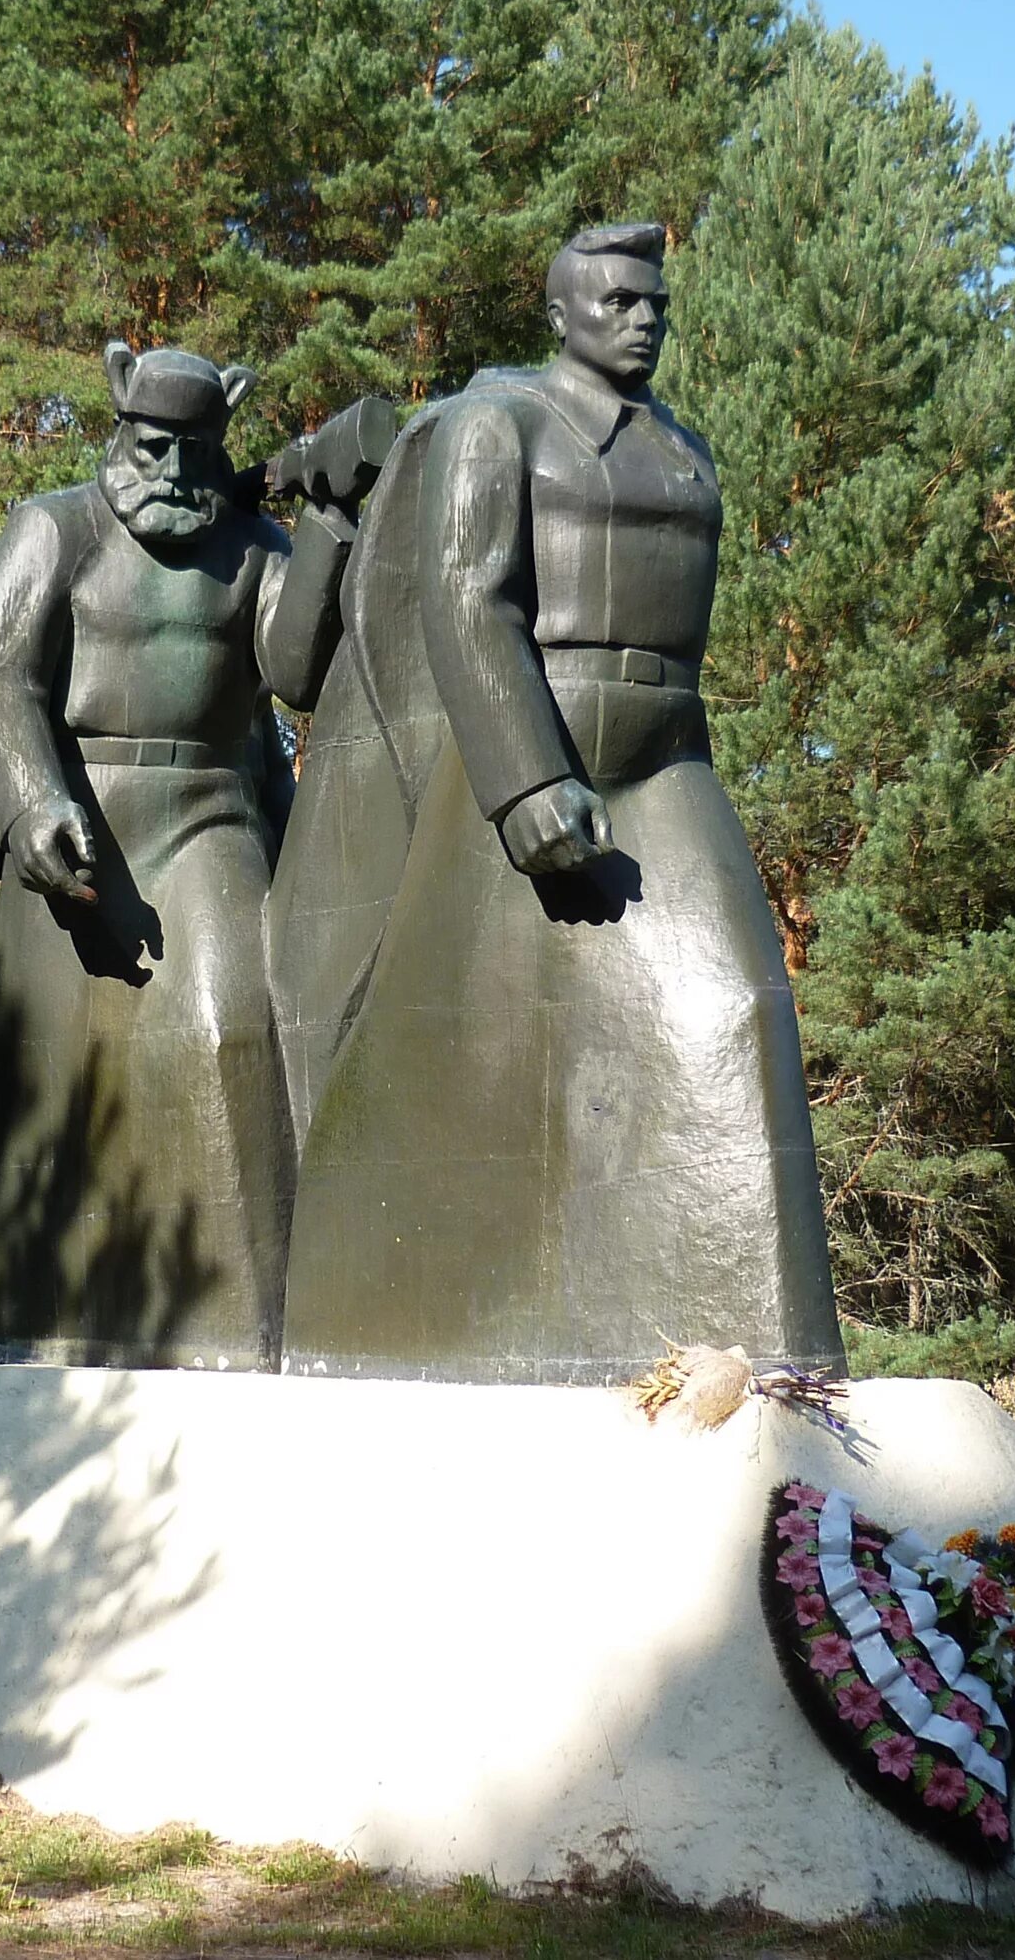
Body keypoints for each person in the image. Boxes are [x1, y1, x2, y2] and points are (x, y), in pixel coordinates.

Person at [271, 223, 848, 1380]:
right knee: (445, 1045)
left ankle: (754, 1341)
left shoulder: (686, 452)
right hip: (529, 742)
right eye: (617, 300)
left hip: (666, 748)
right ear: (561, 312)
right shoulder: (501, 425)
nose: (642, 318)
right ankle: (376, 1323)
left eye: (655, 302)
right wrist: (524, 779)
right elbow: (464, 599)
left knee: (733, 998)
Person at [0, 343, 356, 1366]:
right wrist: (30, 803)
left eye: (198, 449)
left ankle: (246, 1324)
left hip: (208, 813)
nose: (176, 470)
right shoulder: (56, 527)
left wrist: (330, 526)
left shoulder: (254, 544)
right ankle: (13, 1319)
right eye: (156, 445)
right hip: (80, 810)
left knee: (235, 1023)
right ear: (122, 432)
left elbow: (296, 673)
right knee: (40, 1078)